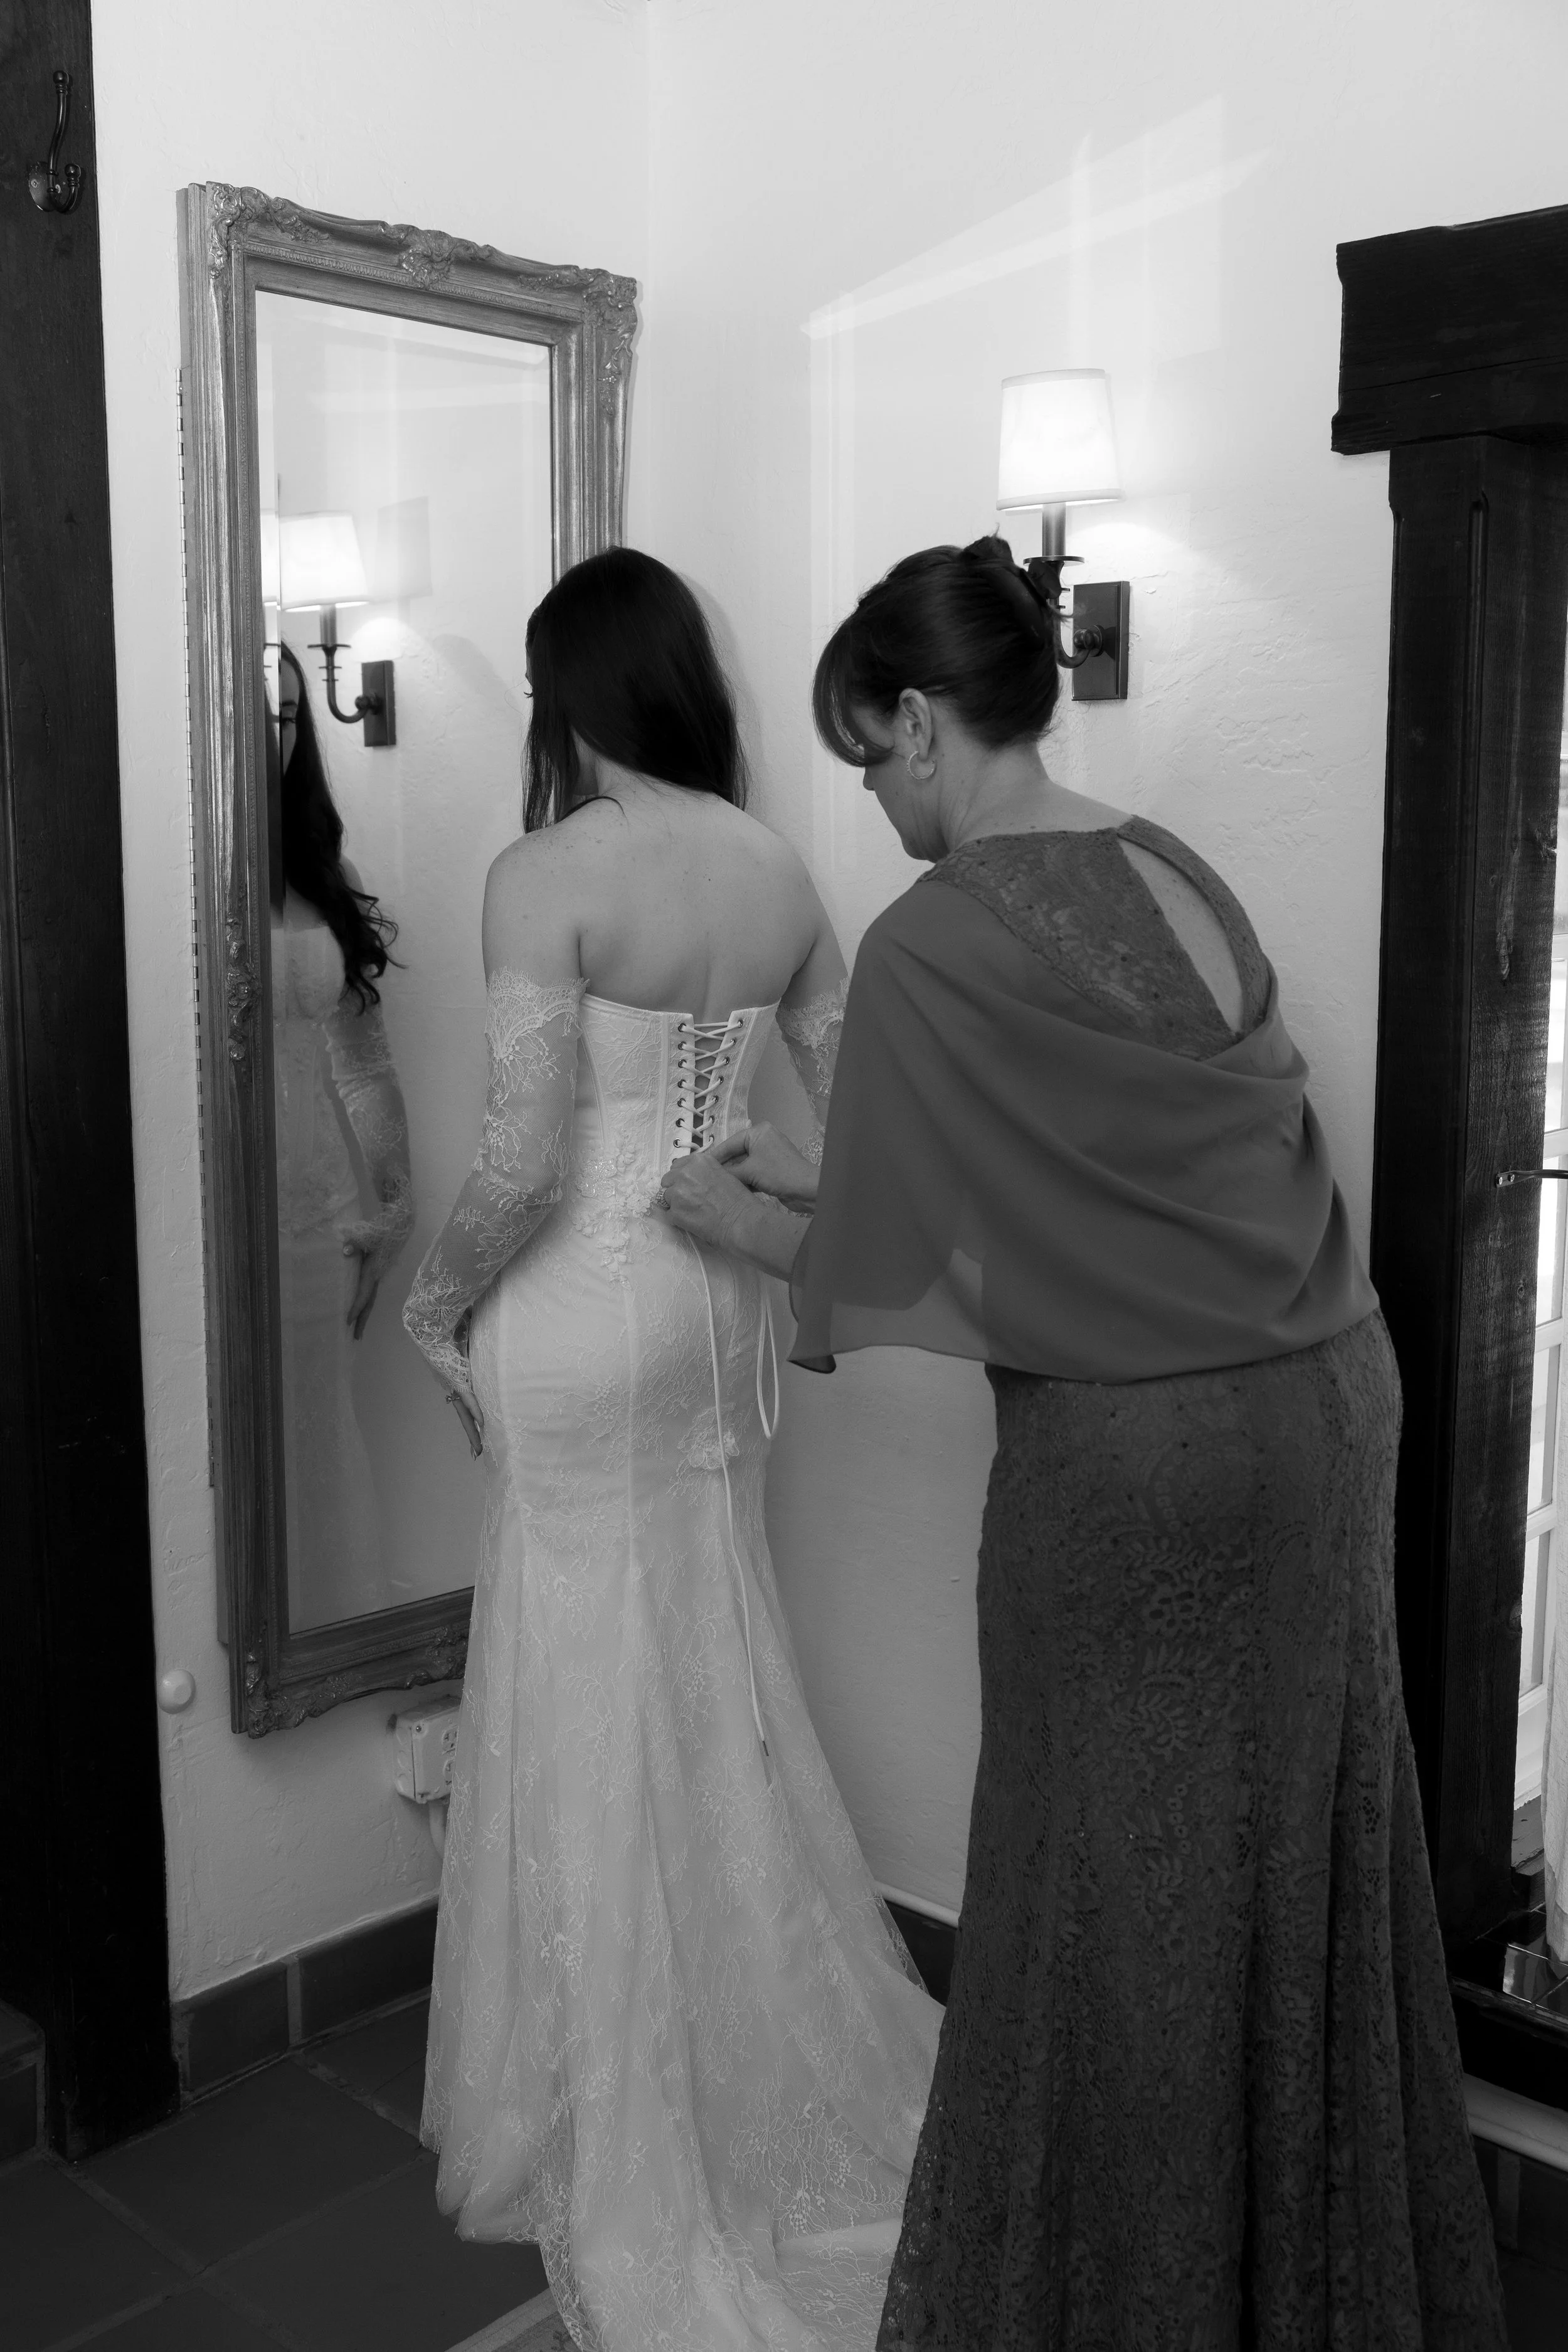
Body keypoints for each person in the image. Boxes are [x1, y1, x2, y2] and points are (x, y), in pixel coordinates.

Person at [663, 537, 1509, 2349]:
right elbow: (1115, 1181)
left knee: (1095, 1879)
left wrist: (744, 1223)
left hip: (1139, 1464)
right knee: (1292, 1856)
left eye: (870, 757)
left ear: (917, 716)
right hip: (1329, 1406)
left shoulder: (937, 931)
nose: (876, 798)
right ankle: (1307, 2282)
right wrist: (837, 1182)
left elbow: (901, 1261)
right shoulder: (1172, 870)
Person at [401, 548, 940, 2351]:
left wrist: (429, 1303)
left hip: (577, 1307)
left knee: (583, 1674)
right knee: (698, 1655)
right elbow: (856, 1087)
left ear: (568, 695)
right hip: (716, 1306)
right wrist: (747, 1191)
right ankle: (737, 2063)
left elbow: (521, 1153)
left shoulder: (546, 870)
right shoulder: (775, 865)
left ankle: (630, 2116)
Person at [269, 645, 414, 1629]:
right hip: (204, 1222)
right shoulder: (164, 864)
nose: (274, 735)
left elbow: (364, 1062)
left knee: (320, 1441)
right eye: (253, 717)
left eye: (287, 716)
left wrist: (394, 1208)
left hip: (318, 1215)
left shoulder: (325, 872)